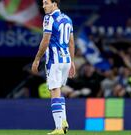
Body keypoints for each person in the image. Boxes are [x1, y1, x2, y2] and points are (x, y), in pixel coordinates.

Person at [31, 0, 75, 134]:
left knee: (54, 92)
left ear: (55, 4)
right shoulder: (67, 19)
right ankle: (63, 121)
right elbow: (71, 42)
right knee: (59, 91)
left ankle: (58, 128)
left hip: (55, 61)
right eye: (43, 3)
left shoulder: (48, 18)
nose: (44, 6)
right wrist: (72, 61)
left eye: (46, 3)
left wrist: (37, 59)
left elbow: (45, 40)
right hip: (66, 60)